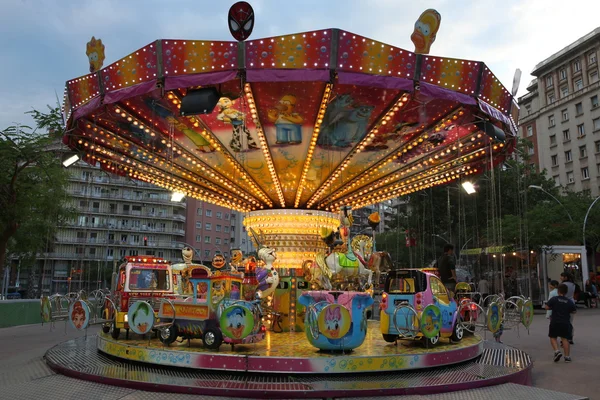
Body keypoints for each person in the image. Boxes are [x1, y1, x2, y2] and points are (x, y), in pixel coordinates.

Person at [545, 283, 577, 363]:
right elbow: (574, 311)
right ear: (566, 292)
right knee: (565, 339)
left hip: (555, 321)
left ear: (558, 291)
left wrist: (553, 307)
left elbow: (547, 307)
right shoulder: (569, 301)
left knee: (552, 337)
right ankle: (567, 357)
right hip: (565, 322)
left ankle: (557, 351)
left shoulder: (554, 299)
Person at [560, 272, 576, 344]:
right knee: (570, 321)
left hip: (563, 303)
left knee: (563, 321)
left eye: (562, 276)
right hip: (572, 302)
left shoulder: (563, 285)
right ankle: (570, 337)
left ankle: (564, 338)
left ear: (565, 277)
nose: (560, 278)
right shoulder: (573, 285)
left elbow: (560, 294)